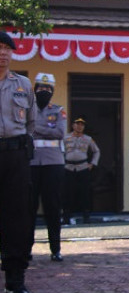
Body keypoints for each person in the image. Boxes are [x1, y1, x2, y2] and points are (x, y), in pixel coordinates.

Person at [0, 31, 39, 293]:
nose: (3, 53)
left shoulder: (23, 85)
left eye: (7, 49)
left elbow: (31, 124)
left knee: (18, 220)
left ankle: (15, 286)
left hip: (15, 157)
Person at [29, 73, 66, 261]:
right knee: (28, 207)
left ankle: (56, 249)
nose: (43, 91)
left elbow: (60, 132)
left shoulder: (58, 110)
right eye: (40, 88)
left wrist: (35, 129)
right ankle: (26, 249)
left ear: (52, 91)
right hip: (32, 163)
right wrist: (44, 130)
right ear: (35, 89)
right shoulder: (28, 108)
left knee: (53, 206)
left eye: (47, 89)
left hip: (54, 164)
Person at [63, 117, 100, 224]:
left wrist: (93, 163)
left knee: (85, 193)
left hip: (83, 167)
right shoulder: (66, 138)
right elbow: (60, 150)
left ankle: (86, 216)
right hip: (68, 167)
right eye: (77, 124)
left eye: (82, 125)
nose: (79, 126)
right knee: (67, 193)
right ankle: (66, 216)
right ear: (73, 125)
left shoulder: (88, 139)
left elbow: (96, 151)